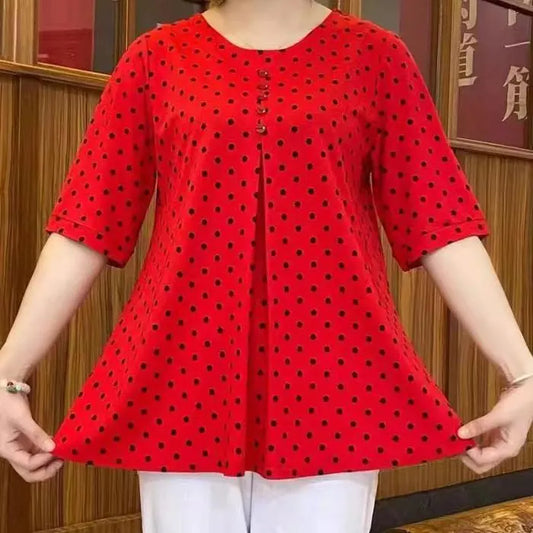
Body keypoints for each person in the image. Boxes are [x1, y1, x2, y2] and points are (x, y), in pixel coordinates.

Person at [1, 0, 533, 532]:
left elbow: (440, 220)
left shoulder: (376, 57)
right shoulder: (155, 58)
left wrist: (523, 374)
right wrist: (6, 377)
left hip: (334, 373)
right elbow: (88, 222)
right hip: (184, 370)